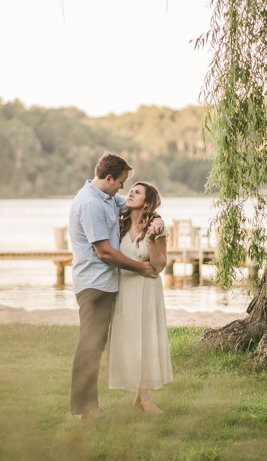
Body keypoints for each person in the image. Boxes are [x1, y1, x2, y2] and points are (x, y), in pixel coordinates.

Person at [68, 152, 164, 421]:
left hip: (108, 285)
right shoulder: (90, 204)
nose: (123, 189)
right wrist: (140, 268)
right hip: (94, 285)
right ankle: (81, 410)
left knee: (96, 346)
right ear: (108, 178)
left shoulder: (108, 198)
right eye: (121, 182)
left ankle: (92, 405)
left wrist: (158, 221)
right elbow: (105, 252)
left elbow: (143, 207)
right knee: (89, 347)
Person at [108, 181, 172, 414]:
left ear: (146, 202)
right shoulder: (119, 225)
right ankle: (143, 400)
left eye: (137, 192)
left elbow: (159, 265)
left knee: (144, 343)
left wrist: (153, 240)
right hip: (125, 290)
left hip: (148, 290)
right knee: (131, 343)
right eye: (130, 190)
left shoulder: (158, 228)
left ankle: (143, 400)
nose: (130, 193)